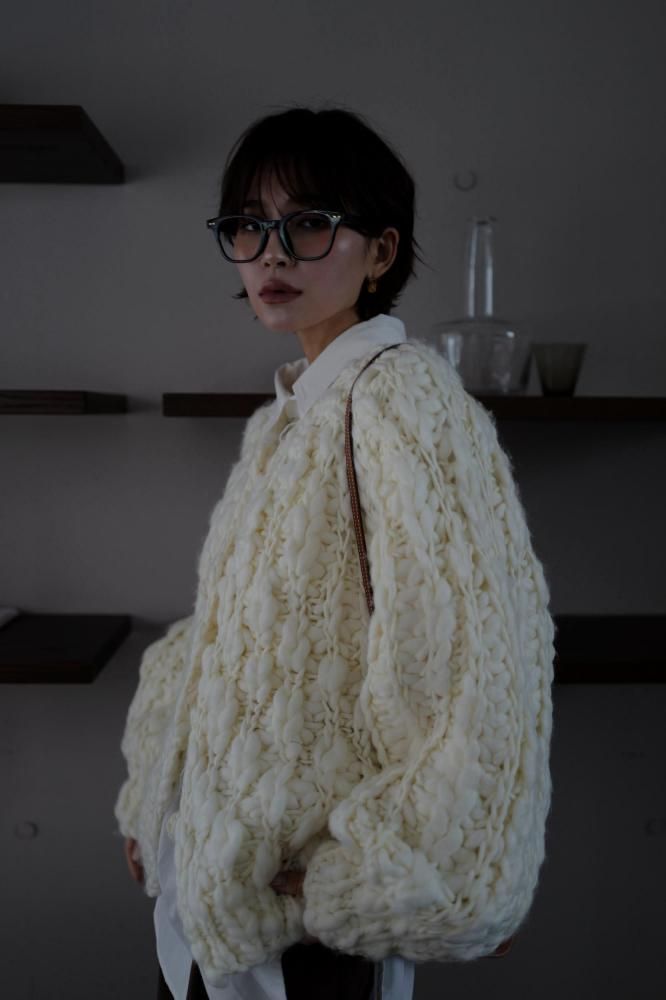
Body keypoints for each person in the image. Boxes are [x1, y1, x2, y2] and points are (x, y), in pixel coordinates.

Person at [115, 104, 555, 1000]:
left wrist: (387, 882)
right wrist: (154, 802)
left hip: (311, 935)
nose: (270, 256)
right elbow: (231, 634)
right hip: (215, 903)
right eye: (248, 226)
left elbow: (476, 664)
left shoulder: (401, 402)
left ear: (381, 252)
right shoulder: (299, 412)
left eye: (308, 224)